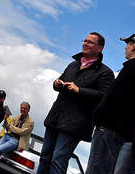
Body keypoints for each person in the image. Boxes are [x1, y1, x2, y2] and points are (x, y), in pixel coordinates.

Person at [37, 32, 115, 174]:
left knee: (58, 159)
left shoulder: (105, 73)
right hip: (56, 117)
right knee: (45, 157)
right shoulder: (73, 65)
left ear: (100, 48)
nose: (85, 44)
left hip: (76, 123)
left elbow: (105, 97)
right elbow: (58, 83)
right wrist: (57, 83)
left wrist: (79, 90)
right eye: (84, 41)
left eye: (90, 42)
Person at [87, 33, 135, 174]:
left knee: (96, 169)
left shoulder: (132, 68)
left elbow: (114, 98)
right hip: (119, 132)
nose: (125, 48)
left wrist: (98, 117)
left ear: (133, 46)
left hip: (108, 129)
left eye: (128, 44)